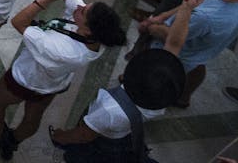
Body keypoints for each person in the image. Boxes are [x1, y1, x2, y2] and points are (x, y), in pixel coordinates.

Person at [0, 0, 128, 163]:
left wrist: (44, 1)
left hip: (27, 79)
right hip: (54, 83)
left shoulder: (63, 49)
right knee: (34, 113)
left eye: (84, 12)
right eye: (86, 5)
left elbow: (19, 23)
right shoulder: (96, 37)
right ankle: (11, 141)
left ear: (88, 30)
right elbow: (74, 1)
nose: (80, 8)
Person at [50, 31, 192, 156]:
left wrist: (61, 136)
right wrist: (186, 8)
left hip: (105, 140)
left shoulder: (110, 110)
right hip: (125, 132)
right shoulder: (162, 94)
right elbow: (174, 44)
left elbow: (84, 135)